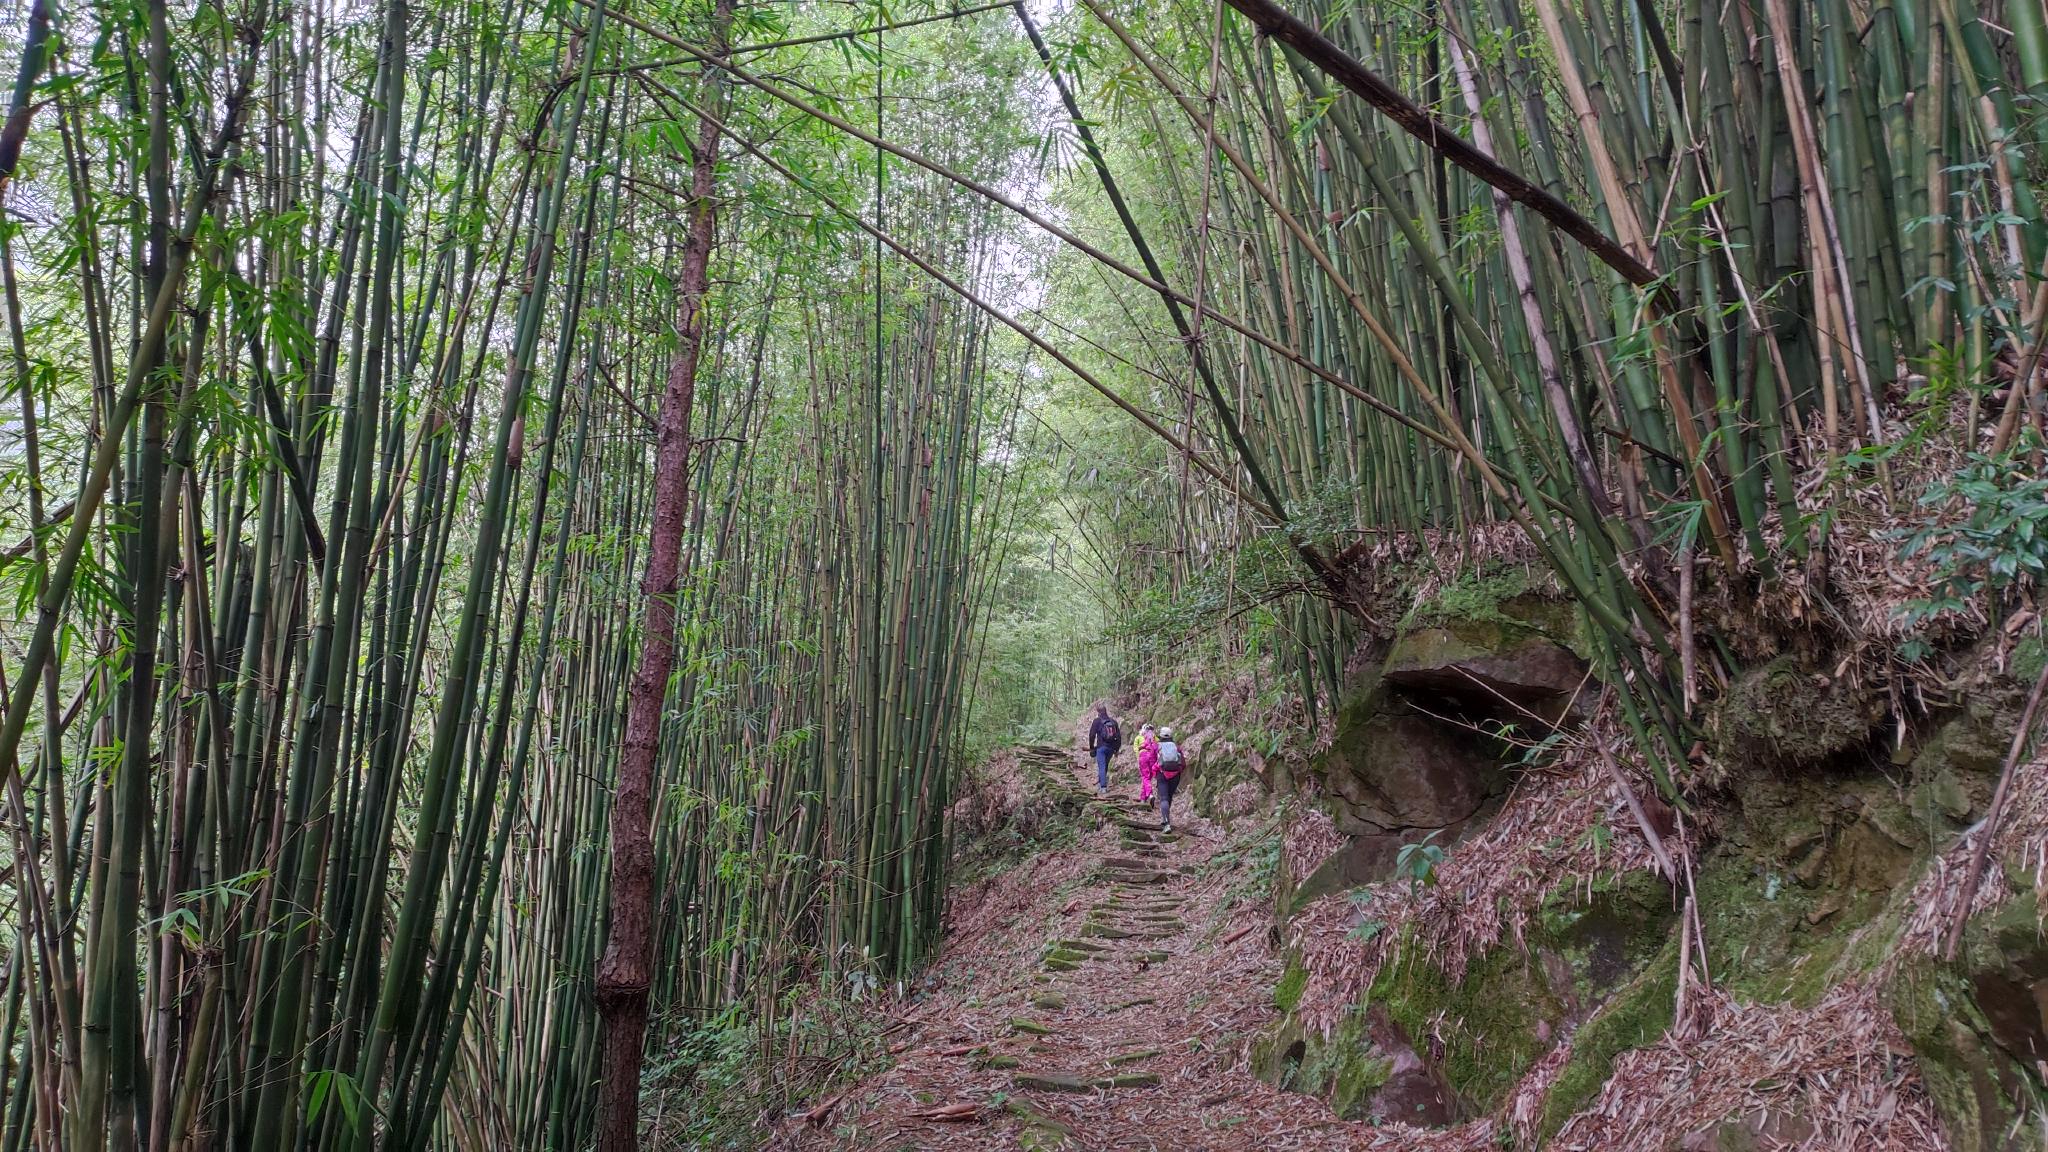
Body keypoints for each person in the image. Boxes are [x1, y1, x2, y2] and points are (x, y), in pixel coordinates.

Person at [1087, 705, 1123, 799]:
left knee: (1101, 766)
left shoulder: (1097, 721)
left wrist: (1091, 747)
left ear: (1098, 712)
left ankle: (1103, 787)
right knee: (1105, 765)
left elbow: (1091, 735)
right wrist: (1116, 750)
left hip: (1101, 748)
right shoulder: (1113, 722)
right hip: (1111, 748)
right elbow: (1118, 737)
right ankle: (1101, 784)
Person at [1155, 727, 1184, 834]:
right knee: (1169, 797)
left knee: (1163, 798)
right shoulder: (1176, 747)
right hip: (1175, 775)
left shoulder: (1157, 747)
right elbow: (1183, 763)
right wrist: (1178, 771)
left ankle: (1166, 822)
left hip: (1162, 774)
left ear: (1161, 736)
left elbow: (1154, 761)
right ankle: (1166, 818)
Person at [1136, 724, 1160, 802]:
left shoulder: (1141, 737)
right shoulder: (1155, 739)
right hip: (1153, 758)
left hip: (1143, 757)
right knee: (1147, 778)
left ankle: (1150, 794)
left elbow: (1138, 748)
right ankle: (1143, 798)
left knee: (1145, 777)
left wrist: (1138, 756)